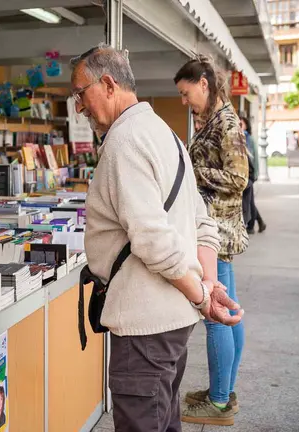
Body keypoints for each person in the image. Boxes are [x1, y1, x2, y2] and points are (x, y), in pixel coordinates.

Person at [75, 44, 242, 432]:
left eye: (80, 94)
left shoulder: (124, 141)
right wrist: (209, 283)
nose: (79, 106)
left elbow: (152, 240)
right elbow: (203, 221)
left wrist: (203, 295)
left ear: (108, 83)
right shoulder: (166, 133)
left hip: (145, 324)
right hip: (169, 321)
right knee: (164, 420)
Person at [174, 55, 248, 426]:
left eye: (186, 94)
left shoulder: (227, 123)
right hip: (217, 230)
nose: (184, 102)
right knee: (230, 313)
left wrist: (191, 168)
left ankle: (218, 402)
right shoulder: (215, 120)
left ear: (204, 83)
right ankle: (224, 391)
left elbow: (238, 179)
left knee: (216, 316)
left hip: (215, 233)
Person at [239, 115, 266, 234]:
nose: (239, 126)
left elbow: (251, 157)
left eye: (241, 124)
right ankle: (259, 222)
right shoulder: (241, 137)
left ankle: (252, 226)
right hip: (245, 174)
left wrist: (254, 175)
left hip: (248, 174)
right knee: (249, 201)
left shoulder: (247, 138)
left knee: (249, 201)